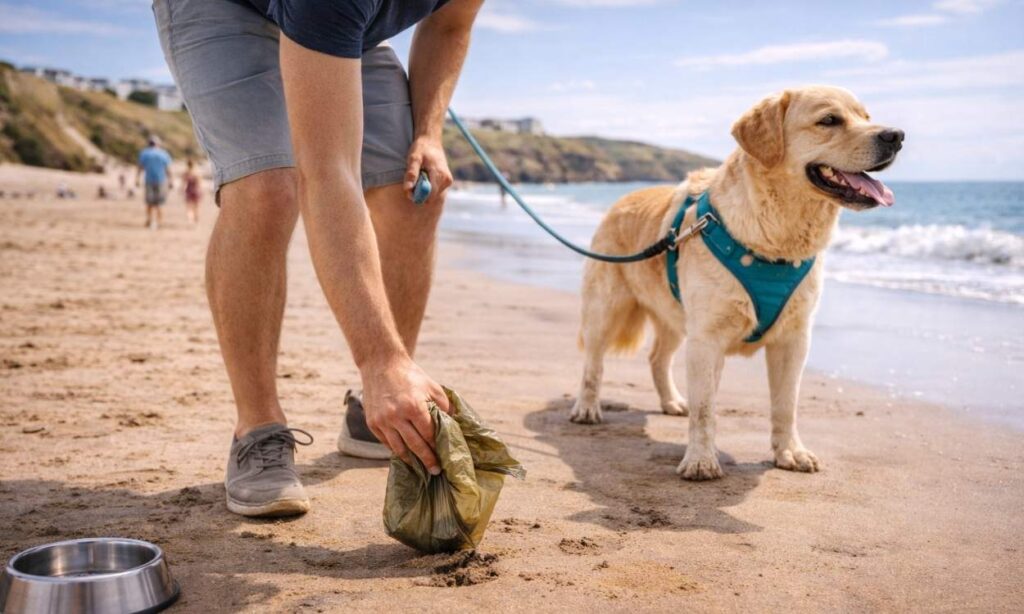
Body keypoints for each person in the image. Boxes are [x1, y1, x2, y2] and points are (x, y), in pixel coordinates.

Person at [152, 0, 484, 517]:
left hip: (347, 29)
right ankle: (257, 429)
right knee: (268, 187)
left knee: (416, 185)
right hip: (224, 8)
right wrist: (379, 358)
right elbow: (327, 175)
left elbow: (450, 21)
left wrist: (429, 133)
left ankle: (386, 408)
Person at [136, 137, 173, 229]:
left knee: (149, 202)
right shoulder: (164, 154)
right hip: (161, 180)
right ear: (158, 144)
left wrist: (137, 179)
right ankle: (159, 221)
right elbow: (168, 169)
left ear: (149, 144)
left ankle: (149, 220)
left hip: (149, 180)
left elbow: (140, 167)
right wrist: (171, 181)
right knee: (159, 203)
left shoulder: (144, 153)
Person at [182, 159, 202, 225]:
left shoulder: (185, 173)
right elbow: (200, 184)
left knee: (189, 207)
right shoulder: (197, 172)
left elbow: (184, 184)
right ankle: (196, 219)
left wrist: (182, 191)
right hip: (196, 191)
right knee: (196, 207)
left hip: (189, 191)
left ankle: (190, 220)